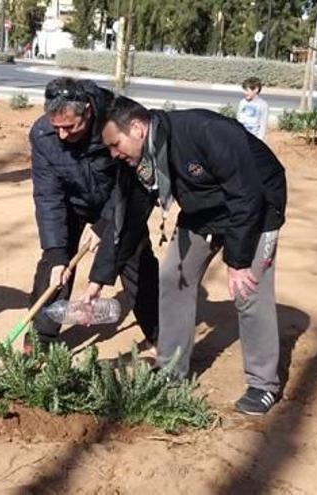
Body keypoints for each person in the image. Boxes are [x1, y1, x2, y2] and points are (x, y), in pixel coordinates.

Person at [89, 95, 287, 415]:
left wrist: (237, 261)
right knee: (172, 277)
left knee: (248, 290)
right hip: (204, 210)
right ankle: (171, 371)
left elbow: (246, 196)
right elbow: (129, 222)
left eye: (115, 144)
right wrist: (100, 278)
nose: (113, 153)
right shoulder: (142, 159)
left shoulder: (205, 132)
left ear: (137, 128)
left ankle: (263, 383)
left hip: (258, 206)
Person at [27, 77, 160, 352]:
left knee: (134, 257)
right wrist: (55, 252)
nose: (62, 135)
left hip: (118, 200)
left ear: (87, 110)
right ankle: (40, 338)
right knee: (55, 267)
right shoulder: (43, 135)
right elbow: (48, 195)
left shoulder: (118, 120)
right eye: (57, 127)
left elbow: (134, 182)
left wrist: (105, 223)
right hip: (72, 203)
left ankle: (160, 334)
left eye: (70, 127)